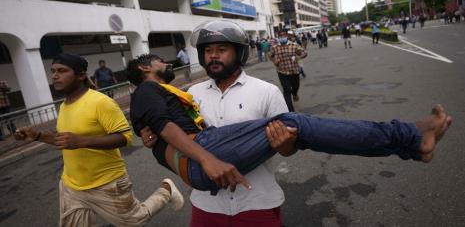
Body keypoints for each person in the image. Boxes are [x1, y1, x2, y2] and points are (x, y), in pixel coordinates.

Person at [126, 52, 452, 195]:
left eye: (221, 49)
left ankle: (412, 143)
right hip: (202, 157)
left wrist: (285, 145)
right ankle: (410, 136)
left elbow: (160, 129)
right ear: (144, 68)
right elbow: (163, 125)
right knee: (294, 120)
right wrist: (206, 159)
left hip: (205, 156)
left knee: (292, 127)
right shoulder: (147, 90)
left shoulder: (175, 92)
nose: (165, 62)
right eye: (158, 60)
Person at [14, 53, 184, 227]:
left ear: (81, 75)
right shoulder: (64, 106)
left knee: (134, 220)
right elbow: (65, 140)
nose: (55, 76)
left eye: (62, 71)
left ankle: (166, 191)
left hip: (107, 183)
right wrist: (37, 136)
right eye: (53, 71)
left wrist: (81, 141)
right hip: (71, 185)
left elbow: (125, 137)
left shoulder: (101, 102)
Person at [185, 20, 291, 226]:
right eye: (208, 50)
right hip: (207, 204)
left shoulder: (266, 92)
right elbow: (182, 140)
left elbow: (288, 149)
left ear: (239, 53)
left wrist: (285, 142)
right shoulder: (191, 95)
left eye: (221, 49)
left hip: (256, 202)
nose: (213, 55)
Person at [269, 30, 308, 112]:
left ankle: (295, 94)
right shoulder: (275, 47)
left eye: (284, 35)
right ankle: (291, 111)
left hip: (294, 71)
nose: (282, 37)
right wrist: (274, 61)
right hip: (282, 72)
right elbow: (270, 56)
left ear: (287, 36)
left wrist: (299, 57)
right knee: (286, 90)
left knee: (295, 87)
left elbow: (304, 53)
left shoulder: (294, 45)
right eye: (280, 36)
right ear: (278, 37)